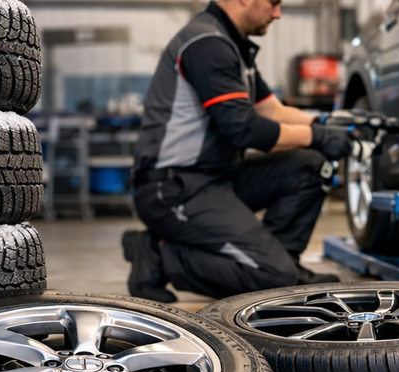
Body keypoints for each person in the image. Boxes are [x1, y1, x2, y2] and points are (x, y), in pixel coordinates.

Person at [124, 0, 360, 302]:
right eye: (273, 3)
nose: (278, 13)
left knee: (310, 164)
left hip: (217, 178)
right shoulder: (207, 43)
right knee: (273, 277)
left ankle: (285, 262)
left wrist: (332, 123)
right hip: (173, 188)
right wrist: (315, 135)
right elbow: (244, 129)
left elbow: (271, 109)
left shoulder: (232, 44)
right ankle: (156, 254)